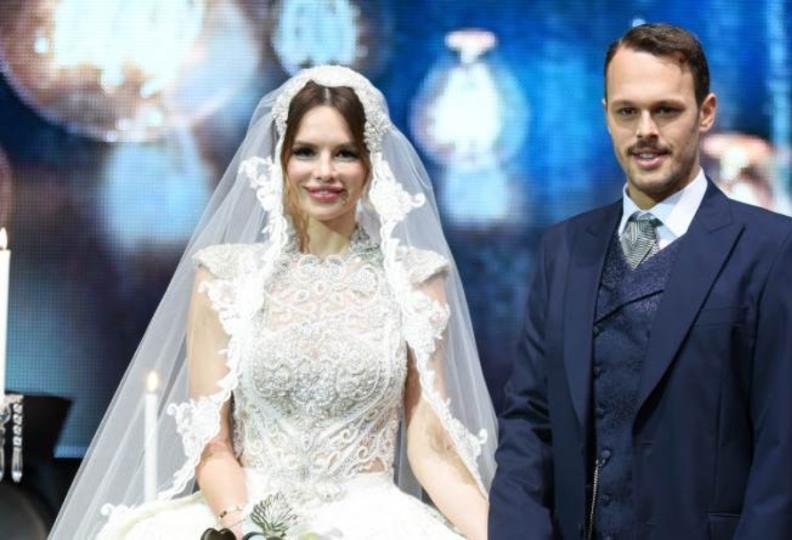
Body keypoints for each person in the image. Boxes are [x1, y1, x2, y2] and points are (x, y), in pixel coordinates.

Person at [50, 66, 497, 539]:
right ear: (281, 159)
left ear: (371, 165)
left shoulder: (415, 281)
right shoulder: (226, 277)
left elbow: (432, 449)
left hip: (375, 521)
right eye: (306, 151)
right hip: (246, 515)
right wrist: (250, 530)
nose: (324, 171)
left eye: (345, 153)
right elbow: (211, 443)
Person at [489, 23, 792, 540]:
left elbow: (785, 452)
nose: (645, 130)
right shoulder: (564, 248)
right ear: (606, 115)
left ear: (706, 112)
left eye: (666, 110)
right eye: (627, 111)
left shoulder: (776, 251)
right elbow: (530, 422)